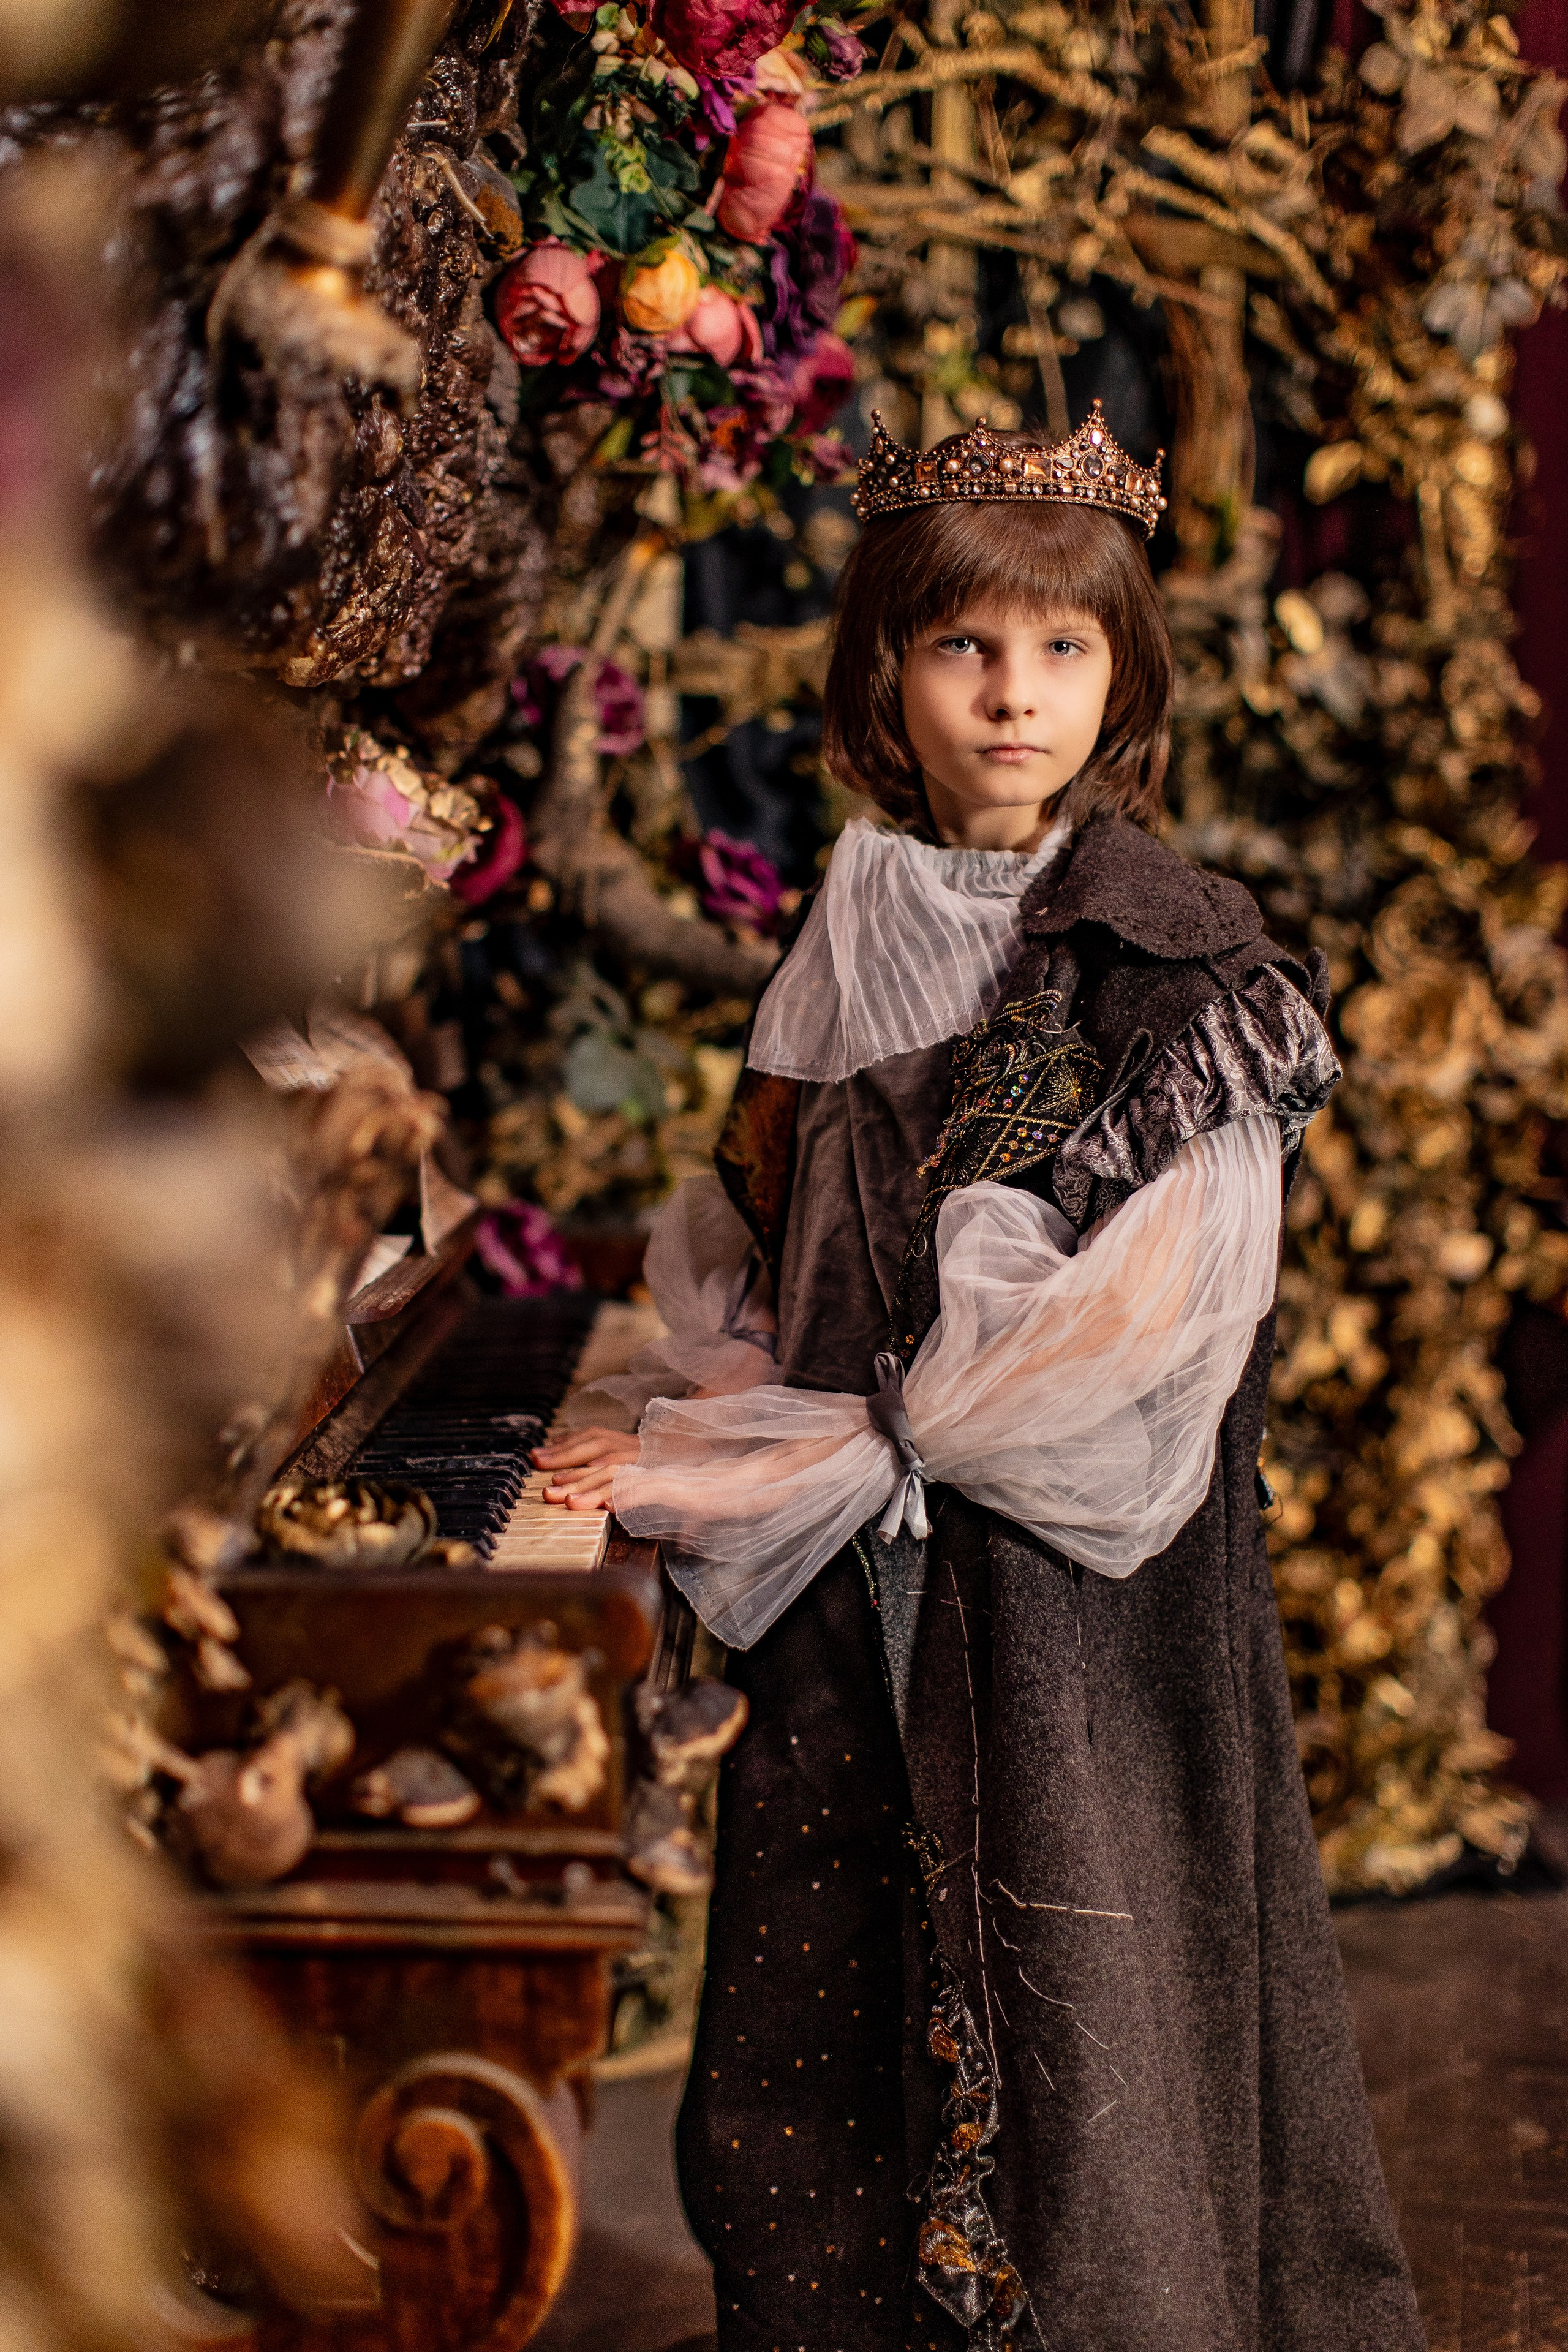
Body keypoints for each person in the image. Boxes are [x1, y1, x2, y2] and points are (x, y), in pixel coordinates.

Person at [534, 407, 1422, 2352]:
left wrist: (794, 1459)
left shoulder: (1178, 972)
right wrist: (712, 1405)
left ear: (1124, 676)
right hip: (857, 1604)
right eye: (963, 648)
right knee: (830, 1984)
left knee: (1068, 1998)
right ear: (884, 673)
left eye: (1062, 651)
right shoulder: (851, 929)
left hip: (1063, 1604)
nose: (1013, 698)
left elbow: (1135, 1351)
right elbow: (765, 1242)